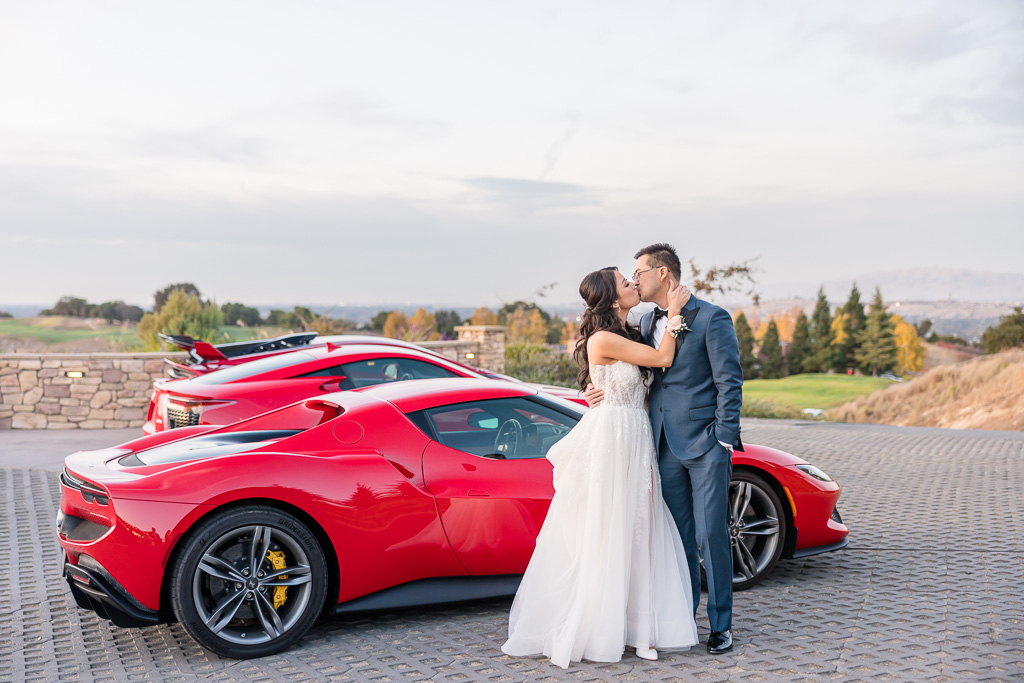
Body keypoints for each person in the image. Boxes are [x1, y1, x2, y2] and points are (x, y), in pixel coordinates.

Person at [501, 267, 699, 669]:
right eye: (626, 282)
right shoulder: (604, 338)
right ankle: (605, 627)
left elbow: (643, 382)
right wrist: (676, 314)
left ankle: (639, 628)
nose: (633, 285)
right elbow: (663, 358)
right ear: (611, 298)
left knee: (640, 528)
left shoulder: (631, 332)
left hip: (635, 434)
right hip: (612, 437)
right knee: (611, 527)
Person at [585, 243, 743, 655]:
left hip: (706, 444)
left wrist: (723, 438)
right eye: (630, 277)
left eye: (639, 272)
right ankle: (682, 620)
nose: (634, 279)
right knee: (676, 538)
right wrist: (594, 388)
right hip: (658, 445)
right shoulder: (639, 321)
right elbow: (618, 364)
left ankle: (721, 626)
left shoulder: (711, 318)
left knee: (712, 536)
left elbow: (731, 383)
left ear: (663, 275)